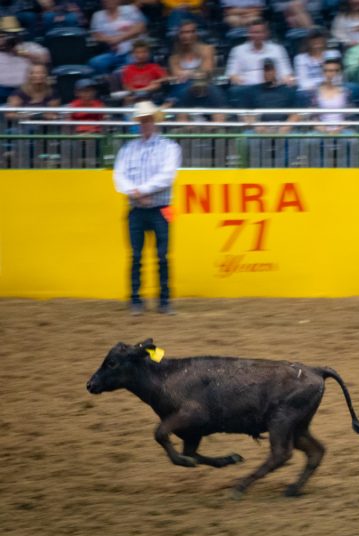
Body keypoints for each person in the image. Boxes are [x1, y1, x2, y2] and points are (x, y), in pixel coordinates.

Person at [113, 101, 182, 316]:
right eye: (142, 121)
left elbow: (167, 176)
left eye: (148, 120)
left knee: (161, 255)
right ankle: (136, 299)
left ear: (154, 121)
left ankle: (164, 299)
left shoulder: (169, 147)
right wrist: (136, 192)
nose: (145, 124)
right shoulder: (128, 149)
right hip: (139, 208)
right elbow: (119, 176)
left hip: (159, 208)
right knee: (136, 256)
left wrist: (138, 191)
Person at [226, 20, 293, 89]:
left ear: (266, 33)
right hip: (247, 89)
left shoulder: (278, 49)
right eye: (253, 33)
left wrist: (286, 79)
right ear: (248, 34)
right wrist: (240, 83)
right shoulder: (238, 50)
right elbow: (232, 74)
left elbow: (286, 72)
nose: (256, 35)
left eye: (259, 32)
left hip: (273, 88)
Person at [87, 0, 146, 74]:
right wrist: (110, 40)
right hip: (113, 53)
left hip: (133, 51)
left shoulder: (130, 9)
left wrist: (119, 38)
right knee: (95, 62)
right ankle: (108, 81)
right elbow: (96, 35)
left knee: (129, 67)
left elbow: (140, 28)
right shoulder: (97, 16)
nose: (109, 1)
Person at [167, 20, 214, 100]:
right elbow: (178, 77)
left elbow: (207, 70)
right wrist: (195, 73)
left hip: (204, 85)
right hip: (182, 88)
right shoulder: (174, 58)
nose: (186, 36)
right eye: (182, 32)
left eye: (190, 32)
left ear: (195, 34)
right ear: (178, 35)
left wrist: (186, 73)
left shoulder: (207, 49)